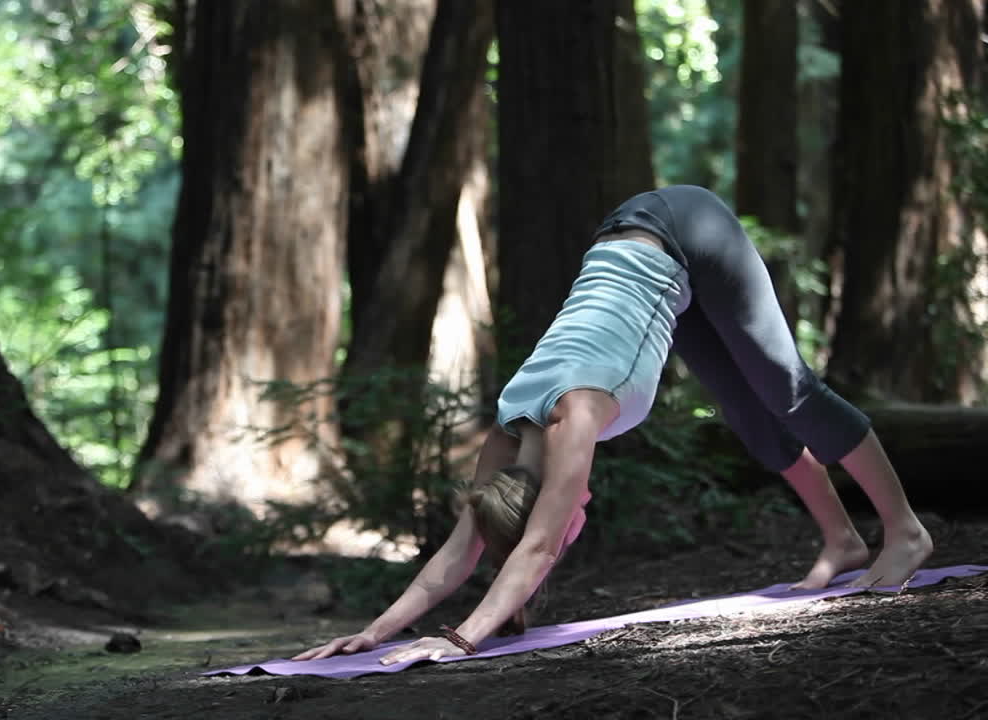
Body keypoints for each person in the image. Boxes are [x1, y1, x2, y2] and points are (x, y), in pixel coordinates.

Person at [292, 185, 932, 666]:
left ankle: (904, 531)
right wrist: (374, 633)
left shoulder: (577, 415)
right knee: (749, 415)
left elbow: (536, 548)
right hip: (637, 249)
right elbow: (460, 551)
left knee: (791, 393)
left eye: (566, 533)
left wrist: (460, 640)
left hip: (687, 229)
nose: (567, 538)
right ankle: (843, 541)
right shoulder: (507, 434)